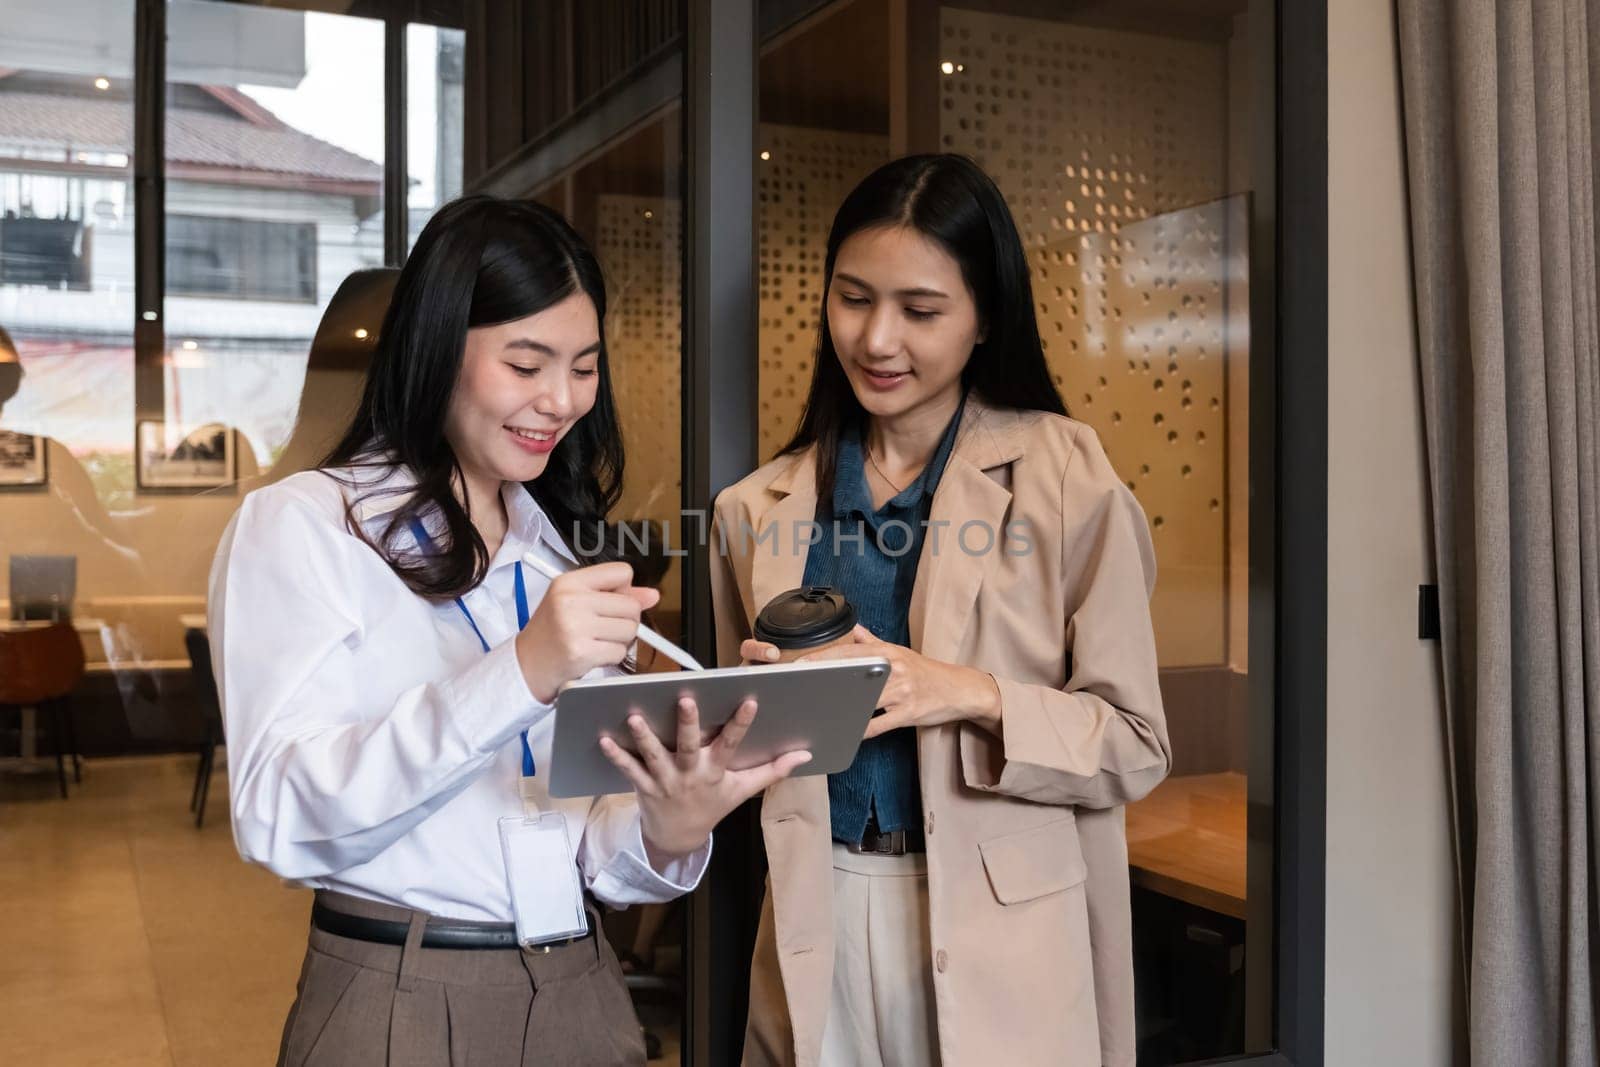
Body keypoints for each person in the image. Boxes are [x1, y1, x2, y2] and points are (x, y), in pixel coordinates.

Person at [210, 195, 809, 1065]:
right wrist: (521, 670)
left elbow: (590, 848)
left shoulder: (550, 550)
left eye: (584, 367)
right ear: (435, 347)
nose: (560, 400)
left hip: (583, 989)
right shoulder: (307, 526)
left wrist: (667, 824)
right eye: (526, 363)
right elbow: (279, 817)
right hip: (400, 995)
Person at [711, 154, 1171, 1067]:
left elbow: (1134, 744)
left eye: (920, 311)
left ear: (984, 318)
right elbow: (738, 762)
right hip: (816, 917)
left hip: (1001, 933)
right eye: (853, 298)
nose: (878, 339)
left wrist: (960, 690)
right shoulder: (752, 509)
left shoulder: (1068, 476)